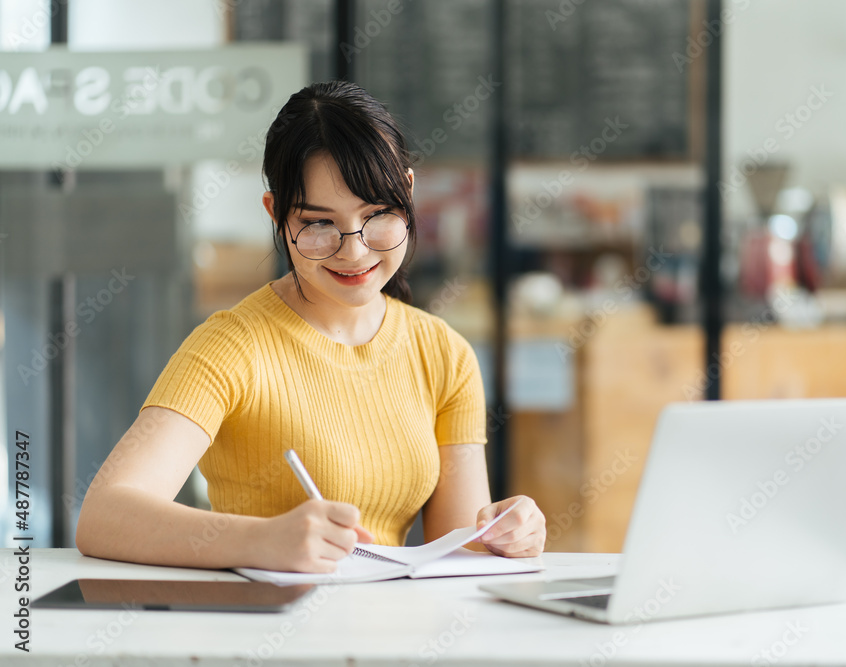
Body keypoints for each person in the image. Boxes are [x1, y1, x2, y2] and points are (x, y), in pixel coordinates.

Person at [75, 80, 546, 573]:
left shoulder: (444, 354)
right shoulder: (231, 346)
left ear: (407, 193)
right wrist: (262, 541)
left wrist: (505, 535)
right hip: (264, 640)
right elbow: (106, 517)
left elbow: (457, 552)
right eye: (319, 224)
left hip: (392, 643)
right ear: (276, 215)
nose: (354, 251)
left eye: (378, 214)